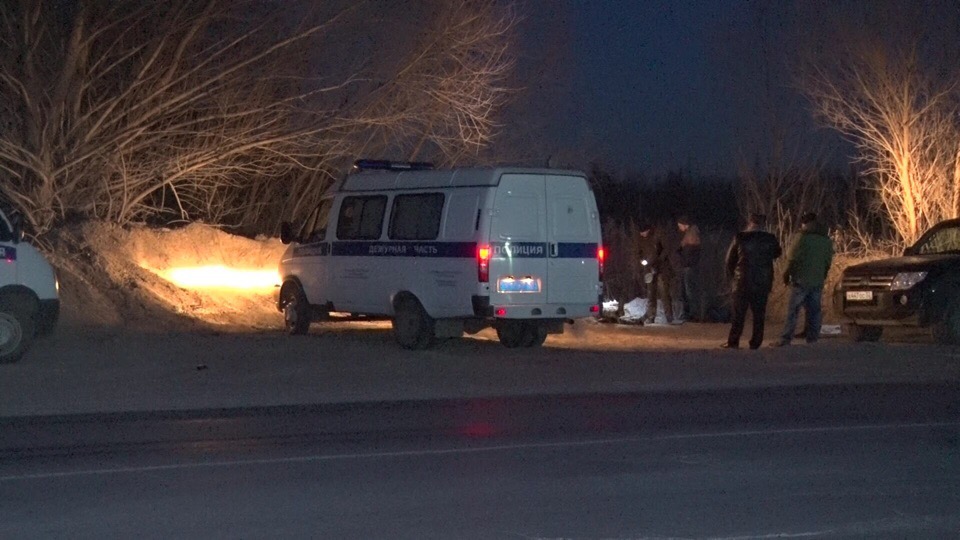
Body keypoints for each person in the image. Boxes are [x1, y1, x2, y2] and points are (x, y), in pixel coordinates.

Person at [772, 212, 834, 347]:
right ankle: (813, 338)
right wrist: (822, 275)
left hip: (800, 279)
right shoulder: (825, 240)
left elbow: (791, 258)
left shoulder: (801, 238)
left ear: (804, 223)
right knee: (814, 310)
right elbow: (828, 261)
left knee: (793, 310)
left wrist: (786, 274)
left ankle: (786, 338)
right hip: (817, 280)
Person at [722, 213, 782, 349]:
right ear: (763, 224)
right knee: (759, 315)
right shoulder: (770, 238)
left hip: (742, 281)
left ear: (750, 223)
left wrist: (733, 276)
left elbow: (729, 260)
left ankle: (733, 341)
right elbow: (778, 253)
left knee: (738, 314)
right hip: (762, 281)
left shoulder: (740, 237)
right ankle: (756, 342)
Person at [636, 221, 675, 324]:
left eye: (643, 232)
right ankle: (651, 316)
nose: (641, 234)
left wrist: (659, 260)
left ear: (647, 230)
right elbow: (639, 252)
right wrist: (642, 261)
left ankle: (669, 317)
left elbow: (666, 249)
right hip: (649, 270)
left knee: (664, 293)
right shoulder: (641, 239)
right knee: (650, 294)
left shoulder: (657, 235)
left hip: (661, 269)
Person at [676, 214, 702, 321]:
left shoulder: (692, 235)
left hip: (689, 267)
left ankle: (693, 314)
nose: (679, 228)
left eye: (679, 225)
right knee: (685, 291)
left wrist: (682, 254)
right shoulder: (688, 234)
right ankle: (688, 314)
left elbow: (690, 253)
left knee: (689, 291)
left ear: (684, 225)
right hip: (686, 266)